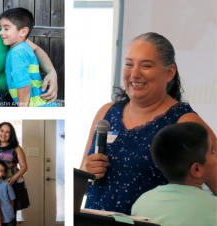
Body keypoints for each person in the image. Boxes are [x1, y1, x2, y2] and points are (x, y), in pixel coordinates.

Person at [79, 32, 217, 215]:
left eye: (146, 66)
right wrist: (85, 173)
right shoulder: (106, 113)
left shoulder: (185, 122)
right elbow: (81, 182)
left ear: (169, 73)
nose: (134, 74)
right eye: (129, 64)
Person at [132, 122, 217, 226]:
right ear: (197, 169)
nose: (215, 155)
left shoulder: (141, 202)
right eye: (212, 152)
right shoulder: (213, 207)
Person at [0, 8, 57, 107]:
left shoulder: (17, 53)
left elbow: (24, 86)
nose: (1, 32)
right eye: (1, 28)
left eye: (6, 29)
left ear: (23, 32)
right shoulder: (24, 47)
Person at [0, 160, 16, 226]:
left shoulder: (7, 185)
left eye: (1, 171)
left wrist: (11, 213)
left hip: (7, 215)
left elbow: (12, 200)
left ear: (4, 173)